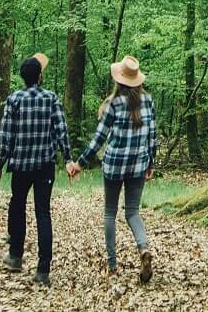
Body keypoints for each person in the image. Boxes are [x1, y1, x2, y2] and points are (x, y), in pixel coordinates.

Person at [67, 54, 157, 283]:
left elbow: (99, 140)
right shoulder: (148, 101)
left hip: (115, 165)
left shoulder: (113, 104)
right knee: (133, 212)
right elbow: (152, 136)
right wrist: (151, 163)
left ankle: (112, 264)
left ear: (119, 80)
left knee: (110, 213)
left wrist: (80, 163)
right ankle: (143, 248)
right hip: (138, 163)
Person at [0, 51, 71, 286]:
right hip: (45, 166)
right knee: (42, 212)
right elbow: (61, 131)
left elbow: (6, 137)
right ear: (39, 76)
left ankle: (15, 256)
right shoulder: (51, 98)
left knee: (17, 205)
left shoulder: (14, 99)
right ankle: (43, 270)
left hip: (21, 165)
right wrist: (67, 159)